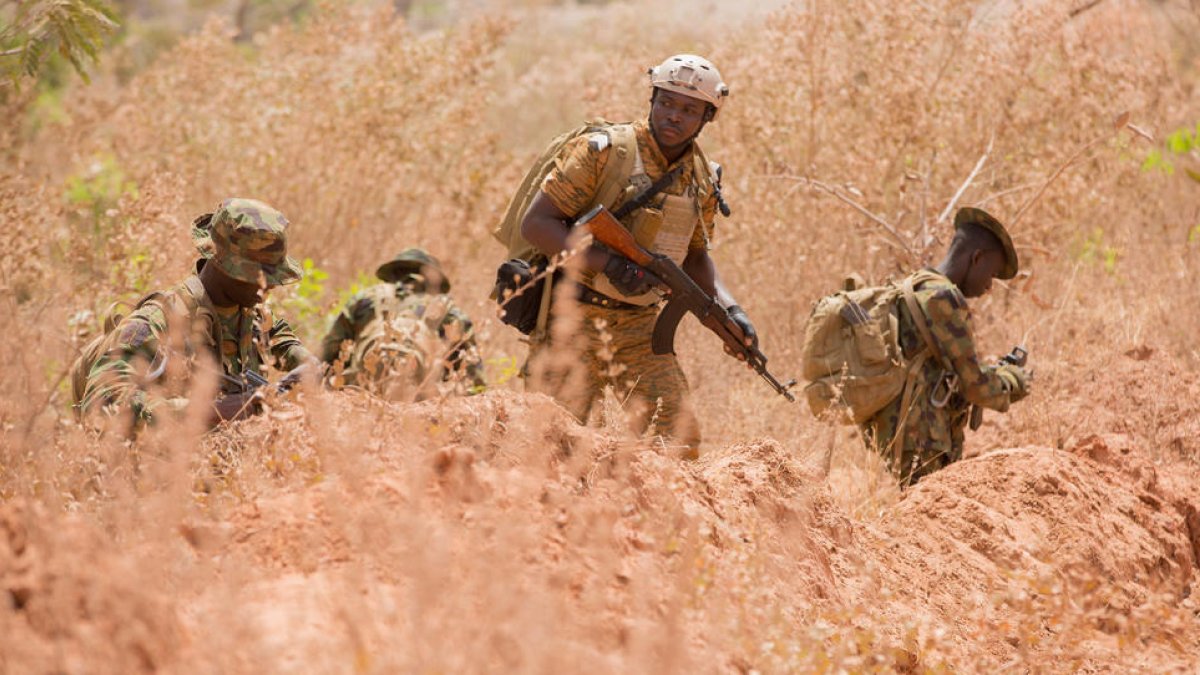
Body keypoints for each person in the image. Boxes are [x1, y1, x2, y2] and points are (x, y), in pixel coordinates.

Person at [518, 54, 758, 458]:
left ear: (707, 117)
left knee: (678, 443)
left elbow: (696, 258)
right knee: (551, 448)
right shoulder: (603, 153)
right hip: (570, 316)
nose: (673, 116)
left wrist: (730, 313)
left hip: (639, 327)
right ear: (652, 99)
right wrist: (609, 263)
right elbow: (538, 225)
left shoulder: (702, 177)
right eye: (666, 102)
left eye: (688, 109)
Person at [72, 198, 316, 430]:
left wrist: (306, 367)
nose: (270, 285)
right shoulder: (158, 322)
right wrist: (211, 411)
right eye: (257, 275)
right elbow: (102, 403)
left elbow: (283, 340)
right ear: (223, 265)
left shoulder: (252, 313)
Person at [862, 207, 1033, 486]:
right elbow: (975, 385)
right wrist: (1014, 382)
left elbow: (944, 369)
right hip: (922, 443)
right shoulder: (943, 298)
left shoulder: (917, 285)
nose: (989, 286)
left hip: (897, 436)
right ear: (976, 258)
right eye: (990, 274)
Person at [320, 248, 485, 399]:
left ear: (393, 274)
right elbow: (471, 372)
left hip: (361, 387)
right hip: (419, 396)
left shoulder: (366, 298)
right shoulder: (444, 306)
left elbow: (329, 351)